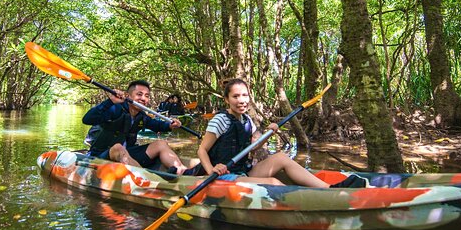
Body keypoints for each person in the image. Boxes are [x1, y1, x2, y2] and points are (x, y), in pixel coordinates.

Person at [196, 78, 331, 187]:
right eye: (235, 96)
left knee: (281, 157)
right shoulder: (220, 120)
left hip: (242, 170)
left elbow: (254, 146)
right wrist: (211, 170)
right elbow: (202, 149)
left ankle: (327, 189)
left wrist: (269, 134)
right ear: (227, 99)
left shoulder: (246, 119)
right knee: (273, 183)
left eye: (245, 95)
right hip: (221, 174)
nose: (241, 100)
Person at [83, 80, 189, 174]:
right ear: (128, 96)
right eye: (139, 94)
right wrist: (110, 102)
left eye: (147, 96)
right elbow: (87, 119)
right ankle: (147, 178)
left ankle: (182, 171)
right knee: (118, 147)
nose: (143, 99)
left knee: (161, 144)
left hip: (127, 154)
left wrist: (170, 125)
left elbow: (157, 125)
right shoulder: (115, 109)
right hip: (101, 156)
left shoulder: (141, 116)